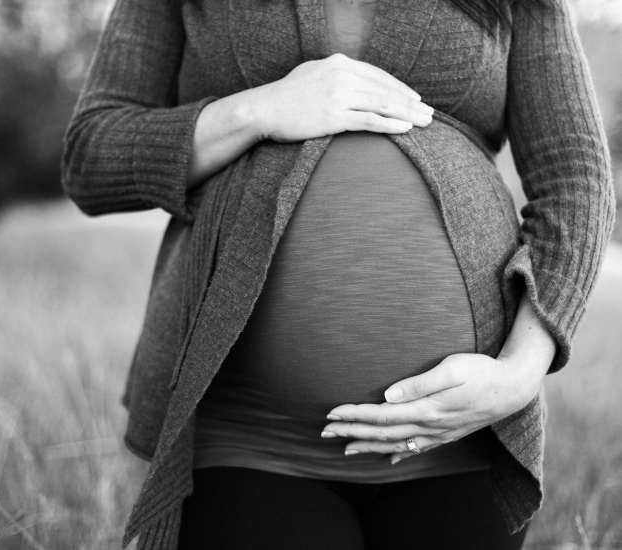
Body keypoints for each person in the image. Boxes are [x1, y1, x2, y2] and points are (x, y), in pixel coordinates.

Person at [61, 0, 615, 548]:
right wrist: (259, 110)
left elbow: (575, 177)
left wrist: (517, 375)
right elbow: (92, 155)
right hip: (245, 439)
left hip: (463, 436)